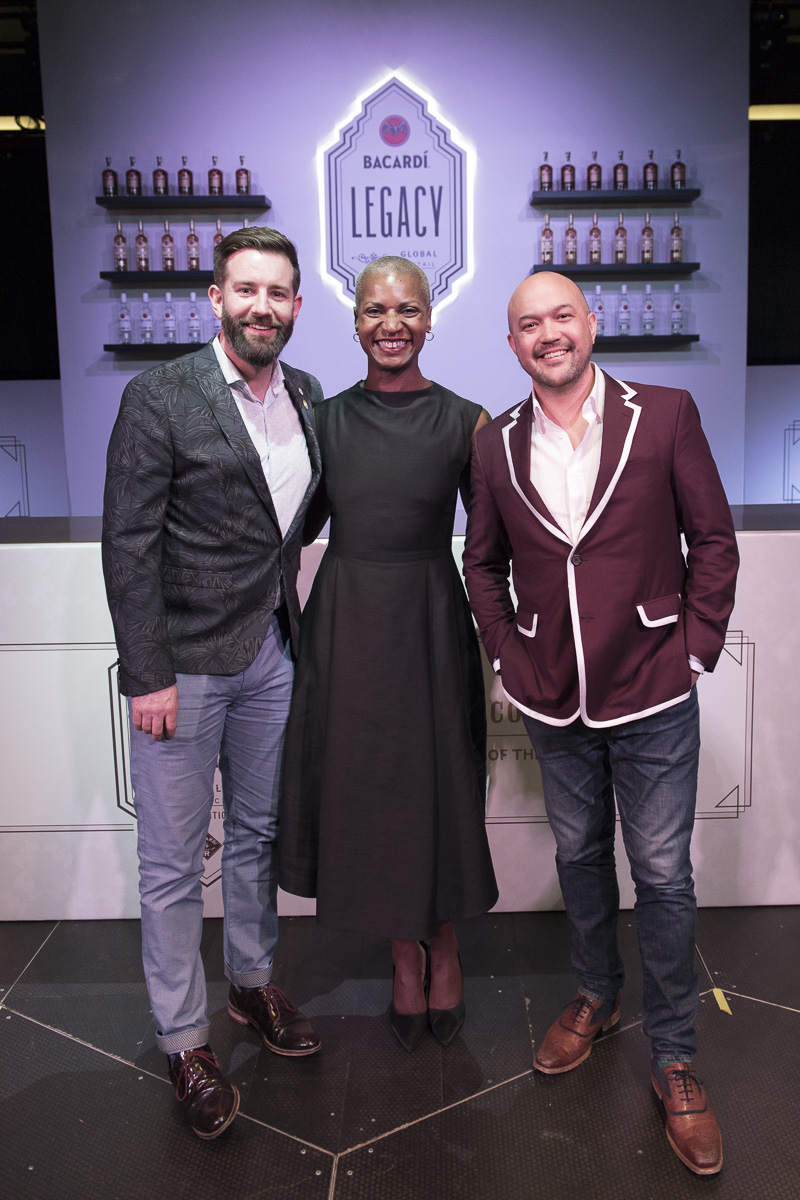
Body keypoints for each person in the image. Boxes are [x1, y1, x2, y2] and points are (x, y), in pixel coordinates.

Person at [463, 271, 738, 1175]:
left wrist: (695, 648)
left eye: (562, 316)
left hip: (655, 685)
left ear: (592, 322)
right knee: (579, 856)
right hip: (552, 693)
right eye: (529, 324)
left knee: (661, 875)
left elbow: (713, 540)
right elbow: (482, 565)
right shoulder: (494, 443)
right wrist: (507, 654)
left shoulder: (666, 413)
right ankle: (595, 993)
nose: (548, 334)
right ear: (512, 343)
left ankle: (676, 1055)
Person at [102, 226, 324, 1140]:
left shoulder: (307, 394)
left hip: (273, 654)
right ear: (215, 298)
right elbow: (128, 544)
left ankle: (251, 985)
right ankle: (185, 1041)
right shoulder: (160, 395)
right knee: (171, 864)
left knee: (258, 838)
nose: (261, 307)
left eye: (277, 293)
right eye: (246, 290)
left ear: (297, 305)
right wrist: (147, 673)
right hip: (184, 668)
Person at [279, 256, 498, 1052]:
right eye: (375, 310)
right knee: (371, 793)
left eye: (407, 309)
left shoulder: (467, 420)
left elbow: (494, 543)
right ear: (355, 323)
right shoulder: (323, 420)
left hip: (430, 619)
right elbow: (290, 527)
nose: (391, 324)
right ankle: (404, 955)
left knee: (434, 788)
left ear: (430, 320)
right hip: (348, 623)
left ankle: (444, 942)